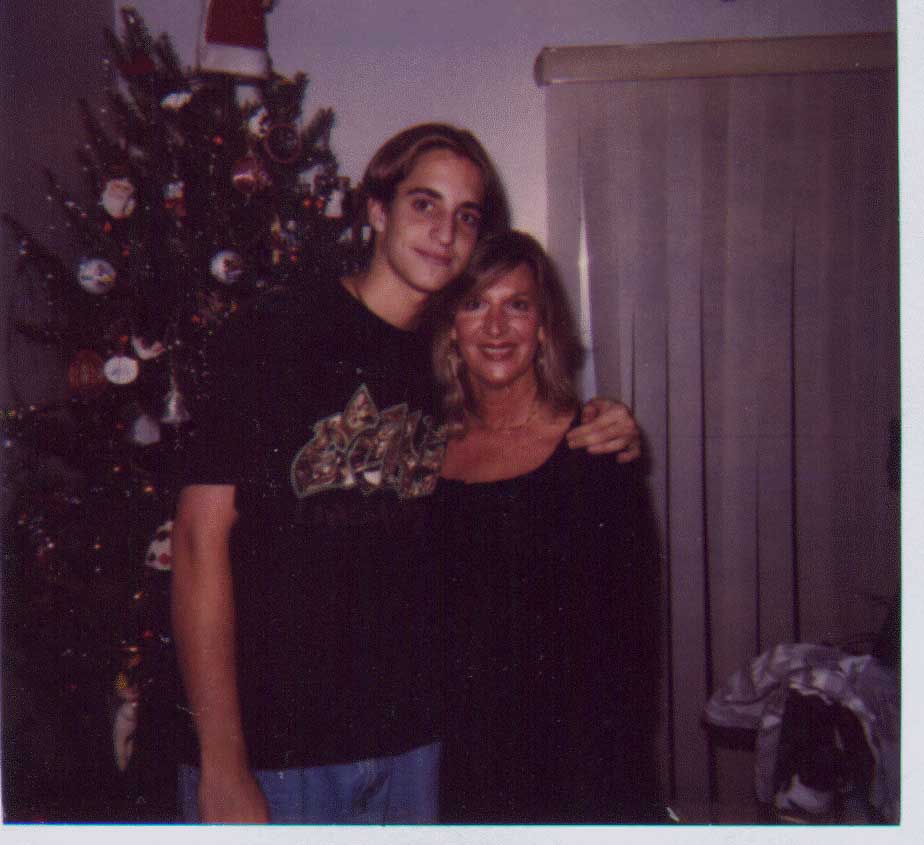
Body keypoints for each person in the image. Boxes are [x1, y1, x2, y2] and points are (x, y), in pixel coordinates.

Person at [171, 124, 641, 824]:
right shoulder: (274, 334)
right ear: (377, 210)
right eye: (425, 205)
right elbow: (195, 543)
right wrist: (222, 761)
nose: (445, 233)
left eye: (466, 216)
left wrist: (606, 418)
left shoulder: (444, 357)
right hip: (276, 754)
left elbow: (517, 434)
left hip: (413, 749)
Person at [432, 230, 662, 823]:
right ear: (452, 328)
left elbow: (630, 654)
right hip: (455, 766)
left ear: (543, 328)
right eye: (475, 304)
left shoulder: (596, 450)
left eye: (518, 305)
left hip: (572, 772)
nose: (496, 327)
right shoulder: (424, 455)